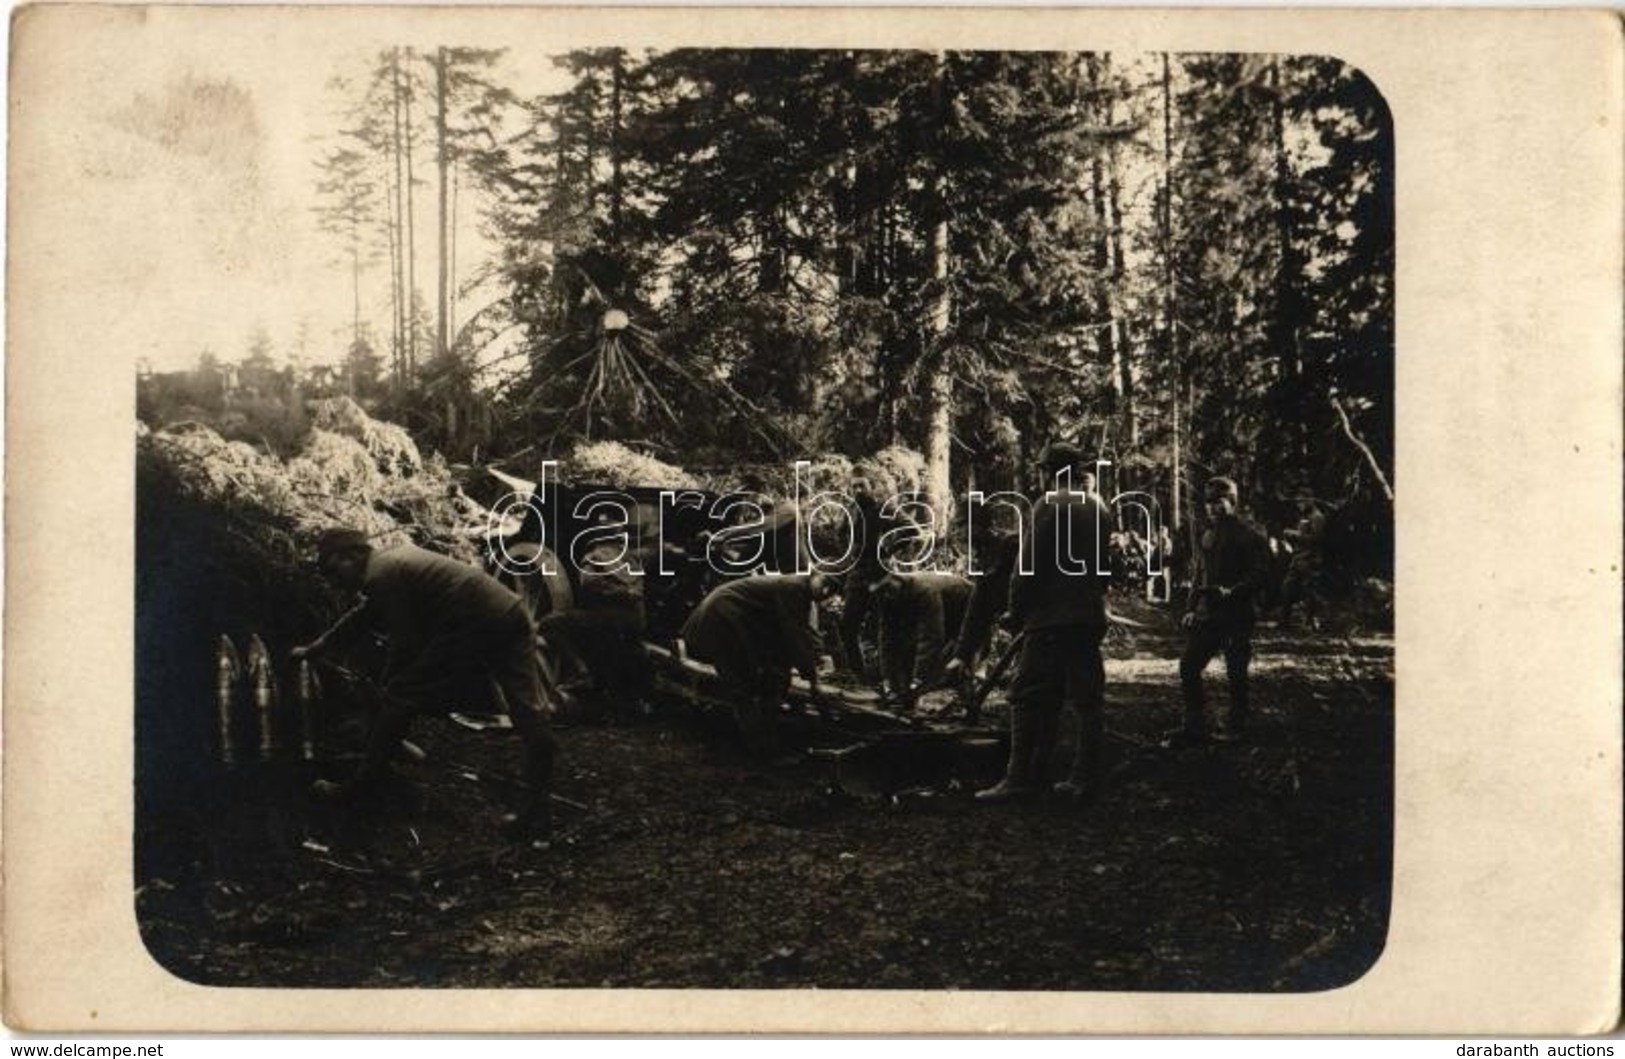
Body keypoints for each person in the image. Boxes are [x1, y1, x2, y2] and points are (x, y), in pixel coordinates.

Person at [292, 529, 558, 838]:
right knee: (530, 713)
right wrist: (317, 647)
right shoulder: (390, 564)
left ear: (353, 555)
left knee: (400, 694)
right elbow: (363, 616)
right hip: (509, 611)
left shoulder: (382, 574)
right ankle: (537, 812)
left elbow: (404, 643)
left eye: (333, 570)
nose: (333, 581)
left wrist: (389, 689)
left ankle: (362, 787)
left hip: (475, 621)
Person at [977, 442, 1114, 804]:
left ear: (1051, 472)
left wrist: (1015, 611)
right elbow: (1104, 568)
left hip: (1051, 619)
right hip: (1086, 615)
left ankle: (1018, 777)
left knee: (1025, 694)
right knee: (1087, 699)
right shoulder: (1099, 507)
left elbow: (1027, 567)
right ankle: (1084, 778)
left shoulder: (1049, 504)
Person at [680, 571, 840, 758]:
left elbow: (803, 631)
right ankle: (764, 752)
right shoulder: (794, 587)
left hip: (734, 619)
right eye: (825, 584)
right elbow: (794, 634)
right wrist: (813, 679)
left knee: (768, 678)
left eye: (831, 590)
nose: (825, 591)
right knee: (745, 686)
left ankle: (765, 740)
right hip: (721, 619)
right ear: (816, 575)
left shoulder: (801, 591)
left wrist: (817, 658)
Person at [1171, 477, 1273, 745]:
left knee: (1236, 671)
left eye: (1219, 502)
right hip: (1210, 615)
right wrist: (1191, 608)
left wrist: (1233, 591)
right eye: (1208, 502)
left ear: (1232, 502)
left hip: (1238, 615)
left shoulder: (1250, 536)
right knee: (1188, 666)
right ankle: (1194, 725)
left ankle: (1237, 727)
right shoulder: (1207, 535)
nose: (1212, 508)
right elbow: (1199, 576)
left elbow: (1261, 575)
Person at [535, 535, 650, 717]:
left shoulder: (594, 555)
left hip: (608, 620)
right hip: (635, 622)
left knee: (550, 624)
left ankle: (578, 671)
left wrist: (618, 593)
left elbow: (588, 583)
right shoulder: (631, 557)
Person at [872, 570, 974, 709]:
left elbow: (931, 639)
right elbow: (887, 639)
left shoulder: (924, 590)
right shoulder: (887, 597)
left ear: (896, 580)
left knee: (955, 660)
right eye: (880, 591)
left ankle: (967, 704)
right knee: (907, 649)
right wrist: (888, 681)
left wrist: (917, 681)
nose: (886, 595)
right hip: (943, 607)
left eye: (888, 589)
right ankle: (906, 697)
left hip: (966, 608)